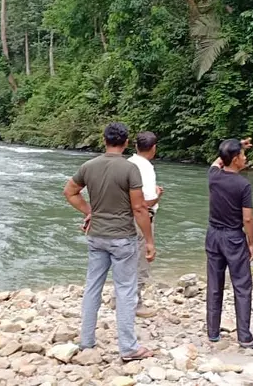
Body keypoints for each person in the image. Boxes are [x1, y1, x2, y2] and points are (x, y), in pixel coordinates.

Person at [63, 122, 156, 361]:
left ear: (104, 140)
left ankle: (86, 341)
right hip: (122, 237)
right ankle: (128, 348)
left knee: (93, 286)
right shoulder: (129, 169)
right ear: (126, 143)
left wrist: (89, 212)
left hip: (96, 236)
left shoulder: (88, 166)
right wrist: (149, 240)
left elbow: (70, 192)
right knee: (125, 290)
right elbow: (138, 207)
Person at [205, 137, 253, 349]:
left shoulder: (213, 176)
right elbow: (247, 218)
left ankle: (213, 332)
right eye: (243, 155)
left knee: (214, 284)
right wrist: (251, 242)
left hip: (213, 234)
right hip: (233, 237)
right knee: (242, 286)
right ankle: (244, 336)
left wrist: (235, 145)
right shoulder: (243, 184)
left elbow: (217, 162)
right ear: (236, 159)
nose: (245, 158)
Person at [128, 131, 163, 319]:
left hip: (124, 216)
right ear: (154, 148)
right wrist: (158, 195)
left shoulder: (128, 163)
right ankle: (135, 303)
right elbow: (146, 202)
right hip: (141, 218)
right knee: (141, 258)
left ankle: (119, 298)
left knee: (126, 258)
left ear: (135, 146)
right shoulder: (146, 168)